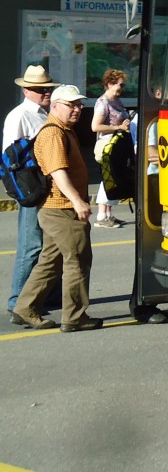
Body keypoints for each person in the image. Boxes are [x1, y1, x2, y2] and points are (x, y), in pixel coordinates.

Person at [12, 85, 103, 333]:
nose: (77, 109)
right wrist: (77, 201)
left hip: (55, 209)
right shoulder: (53, 133)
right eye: (71, 105)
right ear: (55, 106)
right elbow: (57, 172)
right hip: (61, 209)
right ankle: (74, 316)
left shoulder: (64, 130)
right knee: (78, 261)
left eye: (79, 105)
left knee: (50, 262)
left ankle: (25, 307)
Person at [5, 64, 59, 325]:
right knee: (31, 246)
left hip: (43, 184)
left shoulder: (42, 113)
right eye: (40, 89)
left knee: (48, 243)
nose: (46, 93)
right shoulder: (20, 116)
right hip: (31, 186)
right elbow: (10, 157)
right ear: (27, 91)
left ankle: (44, 295)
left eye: (48, 88)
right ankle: (17, 301)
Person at [91, 68, 131, 227]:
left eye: (123, 85)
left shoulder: (117, 101)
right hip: (107, 145)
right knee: (108, 178)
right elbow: (95, 126)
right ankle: (101, 216)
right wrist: (118, 128)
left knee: (114, 177)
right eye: (119, 85)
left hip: (117, 145)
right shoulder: (103, 102)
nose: (122, 88)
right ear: (110, 84)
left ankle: (108, 214)